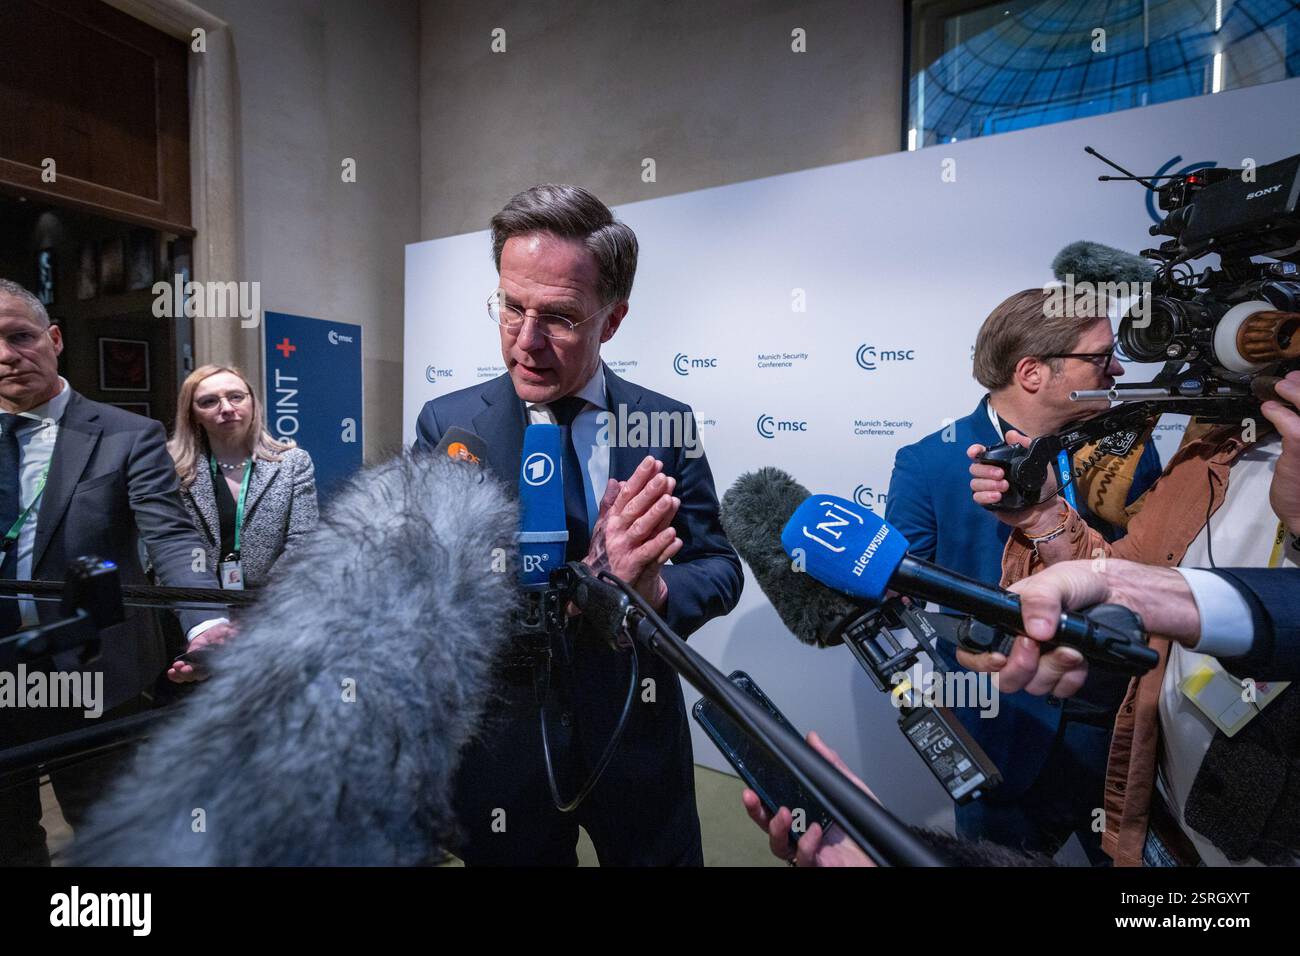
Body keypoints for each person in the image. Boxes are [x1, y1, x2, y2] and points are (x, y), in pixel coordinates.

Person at [413, 184, 742, 865]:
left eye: (559, 317)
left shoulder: (664, 425)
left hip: (636, 730)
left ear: (612, 319)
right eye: (510, 306)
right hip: (502, 745)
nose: (525, 342)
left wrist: (646, 594)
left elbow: (719, 567)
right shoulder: (449, 425)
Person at [966, 371, 1300, 865]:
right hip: (1161, 807)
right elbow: (1124, 568)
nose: (1119, 369)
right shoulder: (1209, 449)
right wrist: (1045, 519)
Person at [883, 287, 1163, 861]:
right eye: (1100, 356)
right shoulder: (929, 462)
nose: (1118, 368)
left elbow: (1150, 573)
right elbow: (905, 609)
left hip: (1121, 732)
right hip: (1001, 739)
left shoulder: (1129, 447)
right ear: (1032, 372)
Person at [0, 279, 232, 866]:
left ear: (53, 340)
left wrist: (205, 625)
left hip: (97, 675)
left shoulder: (127, 435)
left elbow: (175, 540)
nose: (6, 355)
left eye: (19, 336)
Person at [167, 365, 318, 590]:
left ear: (253, 403)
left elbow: (304, 541)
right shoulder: (170, 466)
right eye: (209, 401)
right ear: (192, 414)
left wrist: (259, 606)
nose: (227, 408)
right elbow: (167, 545)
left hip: (273, 604)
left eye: (236, 397)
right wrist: (203, 612)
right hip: (195, 603)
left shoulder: (293, 462)